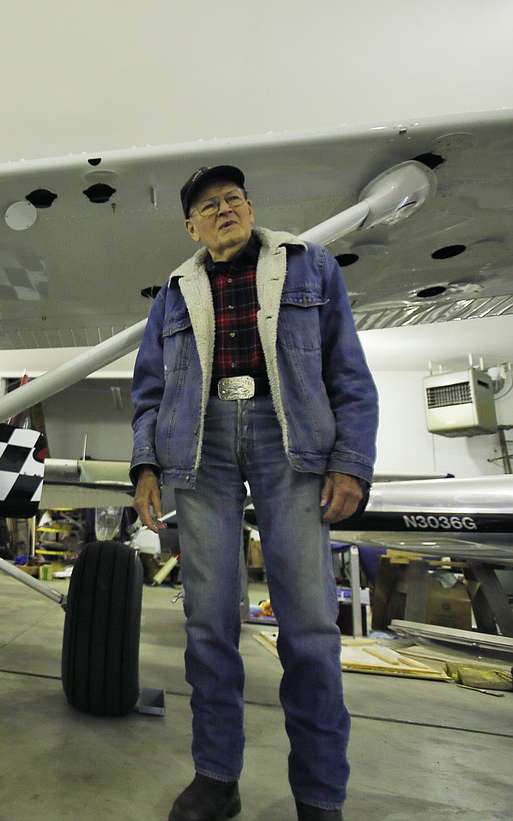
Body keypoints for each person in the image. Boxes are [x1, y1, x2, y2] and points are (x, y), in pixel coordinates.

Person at [130, 165, 378, 821]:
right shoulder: (173, 295)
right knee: (207, 622)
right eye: (208, 205)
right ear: (191, 226)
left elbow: (345, 367)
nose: (224, 209)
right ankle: (216, 778)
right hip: (200, 442)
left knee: (310, 628)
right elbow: (149, 392)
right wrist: (144, 466)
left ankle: (320, 796)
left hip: (287, 437)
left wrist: (350, 460)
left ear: (250, 206)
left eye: (233, 198)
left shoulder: (310, 266)